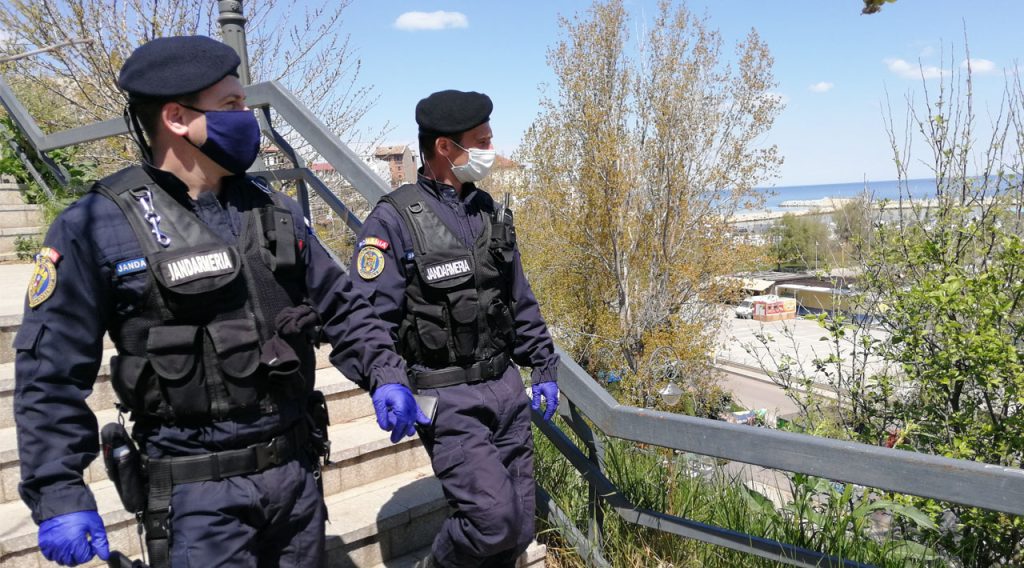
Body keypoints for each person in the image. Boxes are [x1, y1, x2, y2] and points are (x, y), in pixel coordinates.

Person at [13, 35, 426, 567]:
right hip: (196, 501)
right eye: (231, 105)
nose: (246, 118)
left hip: (295, 476)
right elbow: (49, 370)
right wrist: (58, 491)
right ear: (177, 119)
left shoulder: (273, 209)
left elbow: (343, 307)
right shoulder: (98, 225)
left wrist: (385, 372)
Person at [349, 89, 561, 568]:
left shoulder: (487, 209)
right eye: (481, 141)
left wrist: (544, 365)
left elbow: (518, 297)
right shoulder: (394, 220)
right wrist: (387, 380)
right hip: (447, 398)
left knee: (519, 528)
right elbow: (364, 319)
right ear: (445, 147)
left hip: (505, 388)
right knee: (492, 522)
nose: (490, 150)